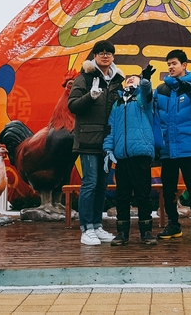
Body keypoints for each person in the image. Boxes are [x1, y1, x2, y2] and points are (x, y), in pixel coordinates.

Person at [68, 40, 125, 246]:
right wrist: (89, 97)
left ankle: (97, 225)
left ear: (113, 56)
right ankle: (86, 229)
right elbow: (72, 105)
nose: (105, 55)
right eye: (101, 52)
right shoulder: (84, 78)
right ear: (94, 56)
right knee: (90, 183)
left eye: (109, 52)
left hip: (108, 142)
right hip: (88, 140)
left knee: (102, 185)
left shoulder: (118, 80)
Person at [154, 49, 191, 241]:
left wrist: (186, 86)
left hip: (188, 147)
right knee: (168, 189)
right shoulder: (161, 89)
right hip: (168, 147)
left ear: (184, 65)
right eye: (168, 64)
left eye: (174, 63)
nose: (171, 67)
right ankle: (173, 225)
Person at [103, 65, 157, 246]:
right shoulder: (117, 104)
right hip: (122, 157)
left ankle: (146, 232)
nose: (130, 79)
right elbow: (111, 129)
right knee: (122, 196)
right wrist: (108, 149)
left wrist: (145, 80)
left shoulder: (142, 100)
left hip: (140, 154)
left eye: (134, 78)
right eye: (128, 78)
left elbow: (147, 91)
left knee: (143, 194)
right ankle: (122, 233)